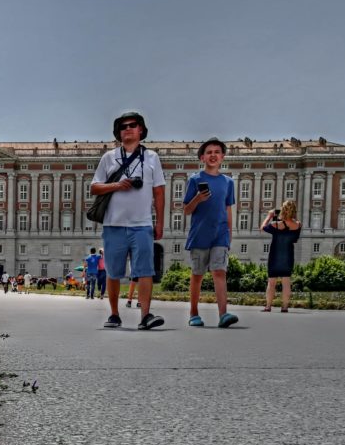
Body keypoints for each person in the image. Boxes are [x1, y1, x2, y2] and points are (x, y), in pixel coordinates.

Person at [90, 111, 165, 330]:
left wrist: (159, 223)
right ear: (118, 133)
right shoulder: (109, 158)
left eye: (133, 125)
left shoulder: (152, 158)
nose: (128, 129)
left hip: (142, 224)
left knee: (144, 271)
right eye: (124, 127)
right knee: (113, 272)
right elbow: (94, 187)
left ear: (141, 130)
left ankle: (145, 316)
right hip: (114, 224)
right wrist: (117, 185)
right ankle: (114, 314)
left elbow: (159, 193)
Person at [182, 138, 238, 328]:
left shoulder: (228, 182)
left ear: (222, 157)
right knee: (197, 275)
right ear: (202, 157)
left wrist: (229, 234)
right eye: (209, 152)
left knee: (219, 272)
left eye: (216, 152)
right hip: (199, 234)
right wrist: (197, 198)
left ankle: (223, 314)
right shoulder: (195, 180)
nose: (213, 155)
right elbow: (186, 210)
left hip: (220, 234)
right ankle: (193, 313)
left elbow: (228, 209)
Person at [261, 200, 301, 312]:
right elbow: (295, 239)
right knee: (286, 282)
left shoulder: (276, 224)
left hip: (275, 255)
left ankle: (268, 306)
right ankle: (284, 307)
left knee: (271, 282)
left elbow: (263, 227)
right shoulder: (298, 225)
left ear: (283, 210)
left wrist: (269, 216)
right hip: (288, 256)